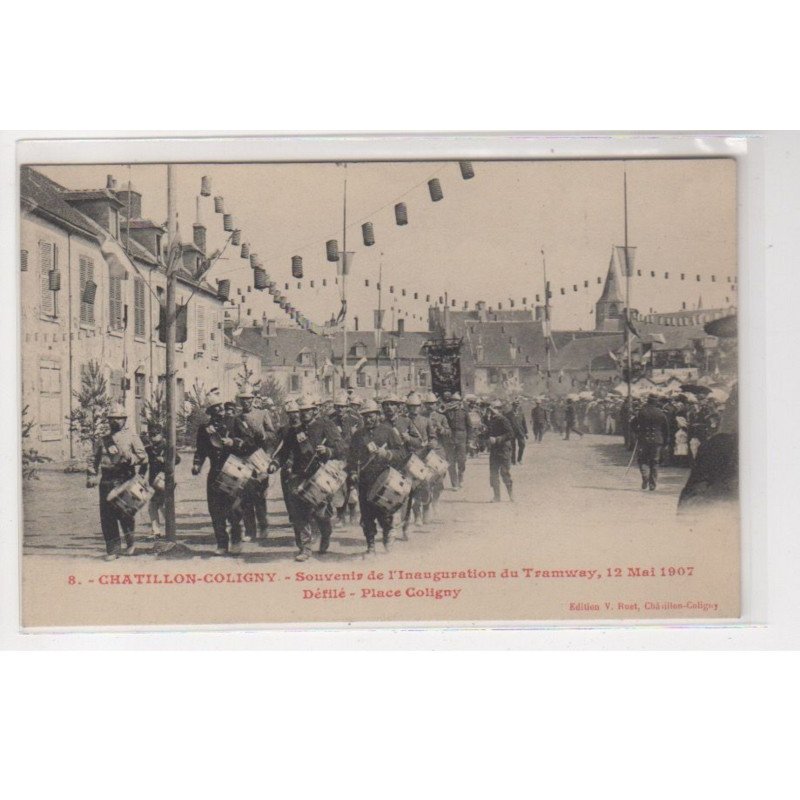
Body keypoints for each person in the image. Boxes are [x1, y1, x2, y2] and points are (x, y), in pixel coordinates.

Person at [270, 393, 345, 561]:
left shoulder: (326, 425)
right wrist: (275, 463)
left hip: (320, 475)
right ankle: (305, 548)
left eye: (307, 410)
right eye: (301, 410)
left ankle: (325, 534)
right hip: (299, 475)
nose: (303, 414)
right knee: (299, 514)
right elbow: (284, 452)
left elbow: (342, 448)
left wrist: (328, 451)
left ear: (315, 410)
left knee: (320, 515)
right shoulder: (294, 430)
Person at [86, 403, 148, 561]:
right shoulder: (103, 440)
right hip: (107, 479)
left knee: (125, 513)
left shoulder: (132, 437)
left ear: (124, 420)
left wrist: (131, 458)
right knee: (107, 516)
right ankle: (112, 550)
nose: (115, 422)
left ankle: (130, 543)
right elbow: (93, 458)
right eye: (112, 419)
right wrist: (91, 475)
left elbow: (144, 457)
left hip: (125, 477)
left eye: (119, 419)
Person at [346, 398, 407, 554]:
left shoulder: (388, 431)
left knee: (385, 515)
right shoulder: (358, 435)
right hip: (365, 480)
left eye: (371, 415)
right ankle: (370, 545)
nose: (368, 418)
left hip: (384, 479)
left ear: (378, 415)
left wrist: (387, 454)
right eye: (365, 416)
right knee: (367, 516)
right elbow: (352, 457)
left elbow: (402, 453)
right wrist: (352, 472)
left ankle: (387, 536)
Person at [192, 389, 244, 555]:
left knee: (234, 509)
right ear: (209, 412)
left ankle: (236, 540)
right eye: (214, 409)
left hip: (232, 470)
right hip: (215, 472)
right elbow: (200, 450)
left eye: (220, 407)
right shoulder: (204, 429)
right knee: (215, 509)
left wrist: (233, 442)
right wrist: (197, 465)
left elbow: (247, 442)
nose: (219, 411)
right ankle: (222, 543)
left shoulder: (234, 422)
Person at [236, 386, 276, 540]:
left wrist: (264, 436)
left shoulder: (262, 414)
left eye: (248, 399)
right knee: (245, 496)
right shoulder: (237, 418)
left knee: (259, 496)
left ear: (253, 399)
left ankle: (264, 526)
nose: (245, 402)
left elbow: (273, 434)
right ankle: (250, 531)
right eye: (243, 399)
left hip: (260, 458)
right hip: (245, 460)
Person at [143, 426, 180, 537]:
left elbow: (177, 459)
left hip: (165, 480)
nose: (153, 437)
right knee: (153, 505)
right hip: (153, 481)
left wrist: (165, 460)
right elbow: (145, 463)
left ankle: (171, 529)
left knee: (163, 505)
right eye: (151, 435)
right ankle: (157, 531)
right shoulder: (149, 449)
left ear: (161, 434)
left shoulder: (167, 446)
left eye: (155, 434)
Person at [631, 393, 671, 491]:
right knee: (654, 462)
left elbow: (632, 424)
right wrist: (666, 442)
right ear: (656, 402)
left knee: (643, 460)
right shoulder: (661, 413)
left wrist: (638, 433)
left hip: (643, 439)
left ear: (648, 401)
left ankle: (645, 476)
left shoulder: (641, 412)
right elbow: (666, 429)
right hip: (657, 440)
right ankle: (652, 484)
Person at [485, 400, 514, 502]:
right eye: (491, 410)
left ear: (498, 410)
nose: (491, 412)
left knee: (505, 472)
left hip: (504, 449)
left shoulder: (503, 420)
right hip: (494, 450)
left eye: (493, 410)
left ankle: (511, 495)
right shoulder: (492, 420)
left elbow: (510, 434)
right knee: (493, 474)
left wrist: (497, 439)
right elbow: (489, 433)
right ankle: (497, 497)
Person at [443, 391, 471, 488]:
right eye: (452, 400)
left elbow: (469, 426)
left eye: (456, 401)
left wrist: (470, 440)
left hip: (462, 436)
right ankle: (454, 483)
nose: (454, 402)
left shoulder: (464, 412)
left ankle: (460, 476)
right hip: (450, 437)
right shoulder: (447, 411)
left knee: (462, 460)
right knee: (451, 461)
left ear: (460, 402)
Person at [506, 398, 529, 464]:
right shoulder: (508, 414)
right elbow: (506, 425)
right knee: (513, 447)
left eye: (517, 406)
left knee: (522, 445)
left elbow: (524, 423)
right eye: (515, 406)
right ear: (512, 406)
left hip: (520, 432)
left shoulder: (521, 414)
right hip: (512, 432)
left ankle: (519, 459)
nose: (516, 407)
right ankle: (513, 460)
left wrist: (526, 433)